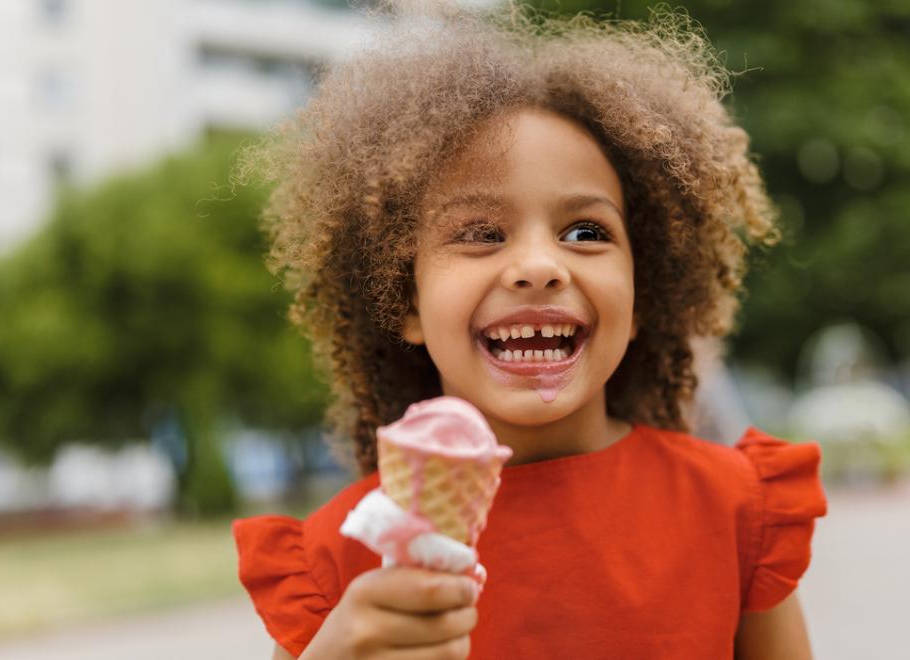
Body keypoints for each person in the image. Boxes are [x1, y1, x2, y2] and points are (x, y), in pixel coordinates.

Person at [233, 2, 828, 658]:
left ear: (642, 293)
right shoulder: (335, 563)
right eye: (482, 234)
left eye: (586, 232)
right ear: (404, 301)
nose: (539, 266)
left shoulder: (733, 508)